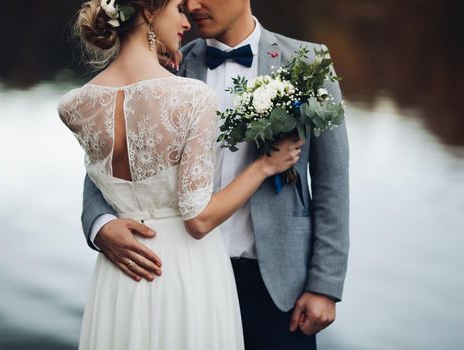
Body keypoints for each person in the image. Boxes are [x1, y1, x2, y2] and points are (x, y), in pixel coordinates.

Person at [81, 0, 349, 349]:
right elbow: (106, 160)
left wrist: (324, 285)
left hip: (278, 289)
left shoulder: (309, 64)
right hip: (181, 279)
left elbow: (333, 183)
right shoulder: (165, 65)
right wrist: (100, 224)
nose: (192, 6)